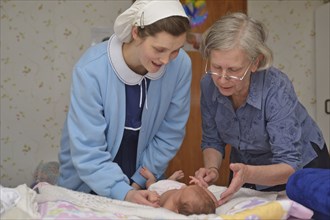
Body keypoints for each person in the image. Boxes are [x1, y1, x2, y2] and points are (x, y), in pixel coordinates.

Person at [57, 0, 192, 207]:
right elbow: (88, 149)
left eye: (175, 50)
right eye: (159, 49)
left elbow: (170, 132)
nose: (167, 60)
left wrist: (138, 182)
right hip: (87, 183)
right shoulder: (91, 70)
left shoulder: (180, 65)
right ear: (136, 32)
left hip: (144, 182)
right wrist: (123, 191)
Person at [194, 12, 330, 206]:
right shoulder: (208, 84)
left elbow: (289, 165)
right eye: (216, 67)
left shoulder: (276, 87)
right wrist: (212, 169)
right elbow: (212, 140)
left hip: (301, 166)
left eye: (233, 70)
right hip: (246, 166)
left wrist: (249, 174)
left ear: (255, 63)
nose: (222, 79)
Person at [136, 167, 217, 215]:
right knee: (178, 185)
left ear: (176, 210)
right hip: (175, 185)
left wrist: (153, 200)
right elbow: (215, 203)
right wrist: (202, 187)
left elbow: (159, 212)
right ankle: (171, 179)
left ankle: (151, 177)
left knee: (150, 184)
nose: (182, 189)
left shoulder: (169, 207)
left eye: (182, 192)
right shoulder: (184, 194)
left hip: (160, 191)